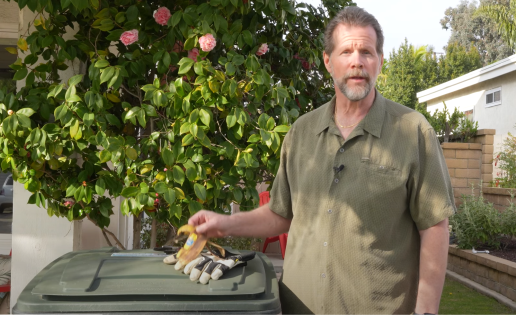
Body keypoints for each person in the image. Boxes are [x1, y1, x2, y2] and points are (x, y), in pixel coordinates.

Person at [189, 6, 454, 314]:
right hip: (297, 306)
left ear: (380, 62)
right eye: (346, 52)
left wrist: (425, 311)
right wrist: (226, 224)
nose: (357, 61)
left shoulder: (412, 131)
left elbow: (435, 227)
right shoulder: (302, 132)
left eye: (367, 52)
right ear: (328, 62)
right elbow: (282, 214)